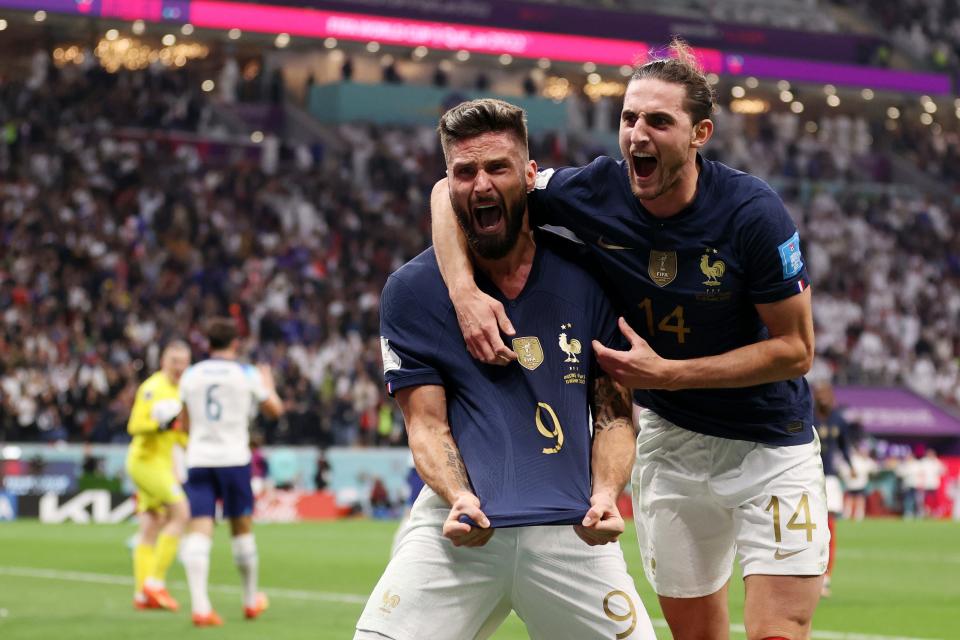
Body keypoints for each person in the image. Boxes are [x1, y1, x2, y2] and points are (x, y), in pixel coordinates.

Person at [430, 40, 827, 640]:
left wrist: (667, 374)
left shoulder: (752, 214)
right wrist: (463, 292)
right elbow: (447, 192)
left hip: (769, 445)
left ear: (700, 133)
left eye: (659, 121)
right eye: (629, 118)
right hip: (671, 446)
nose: (637, 134)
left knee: (777, 632)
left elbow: (796, 350)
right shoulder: (593, 191)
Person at [355, 98, 655, 640]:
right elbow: (425, 424)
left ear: (530, 174)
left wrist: (608, 493)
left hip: (573, 531)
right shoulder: (412, 292)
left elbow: (613, 415)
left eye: (497, 167)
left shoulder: (589, 274)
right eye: (465, 172)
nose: (482, 184)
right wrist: (459, 495)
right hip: (461, 529)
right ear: (448, 184)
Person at [178, 317, 284, 626]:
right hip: (234, 459)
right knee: (241, 528)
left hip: (198, 459)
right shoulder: (246, 374)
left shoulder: (191, 375)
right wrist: (270, 387)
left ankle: (200, 607)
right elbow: (275, 411)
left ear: (206, 344)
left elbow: (185, 424)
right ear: (235, 344)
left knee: (199, 529)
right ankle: (251, 601)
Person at [125, 340, 192, 611]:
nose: (179, 367)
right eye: (174, 361)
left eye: (184, 362)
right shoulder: (152, 388)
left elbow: (179, 434)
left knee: (152, 523)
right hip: (145, 462)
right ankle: (155, 583)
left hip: (163, 464)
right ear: (163, 361)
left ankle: (142, 595)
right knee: (181, 513)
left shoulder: (183, 390)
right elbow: (134, 425)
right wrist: (159, 424)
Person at [812, 381, 854, 598]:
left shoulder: (839, 420)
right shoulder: (807, 417)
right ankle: (809, 574)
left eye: (826, 393)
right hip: (808, 477)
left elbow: (845, 446)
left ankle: (826, 577)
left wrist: (851, 466)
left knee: (829, 528)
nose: (823, 398)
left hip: (830, 480)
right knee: (809, 528)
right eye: (820, 393)